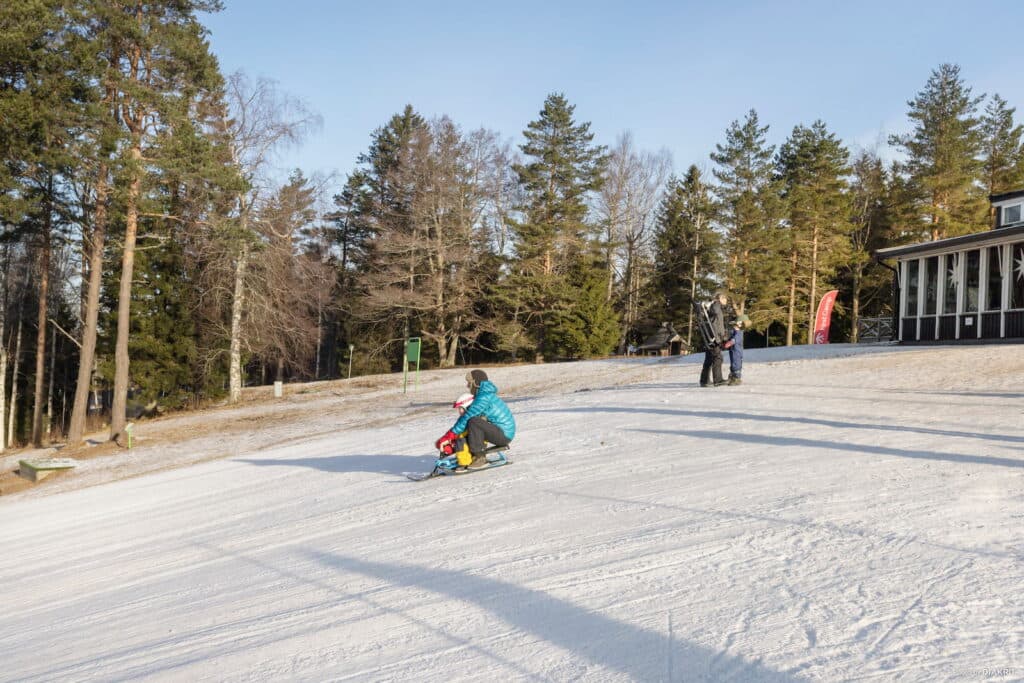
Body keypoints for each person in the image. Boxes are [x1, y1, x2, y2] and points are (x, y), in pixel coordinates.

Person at [435, 370, 516, 469]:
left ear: (476, 383)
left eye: (469, 383)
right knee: (473, 423)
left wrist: (449, 436)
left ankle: (479, 457)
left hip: (504, 434)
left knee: (473, 421)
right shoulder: (484, 395)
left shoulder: (484, 397)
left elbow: (467, 417)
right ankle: (469, 453)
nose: (468, 386)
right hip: (501, 431)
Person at [699, 292, 729, 387]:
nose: (726, 301)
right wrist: (722, 336)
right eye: (725, 299)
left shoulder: (712, 307)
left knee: (709, 359)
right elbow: (718, 325)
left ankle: (704, 381)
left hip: (710, 337)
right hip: (714, 337)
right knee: (717, 357)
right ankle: (718, 380)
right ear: (720, 298)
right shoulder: (716, 306)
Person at [724, 314, 749, 385]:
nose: (733, 327)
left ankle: (737, 378)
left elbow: (735, 339)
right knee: (732, 364)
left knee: (736, 364)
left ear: (740, 325)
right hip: (733, 351)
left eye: (735, 326)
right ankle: (732, 377)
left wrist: (730, 342)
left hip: (737, 352)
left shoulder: (739, 332)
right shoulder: (735, 331)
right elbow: (731, 337)